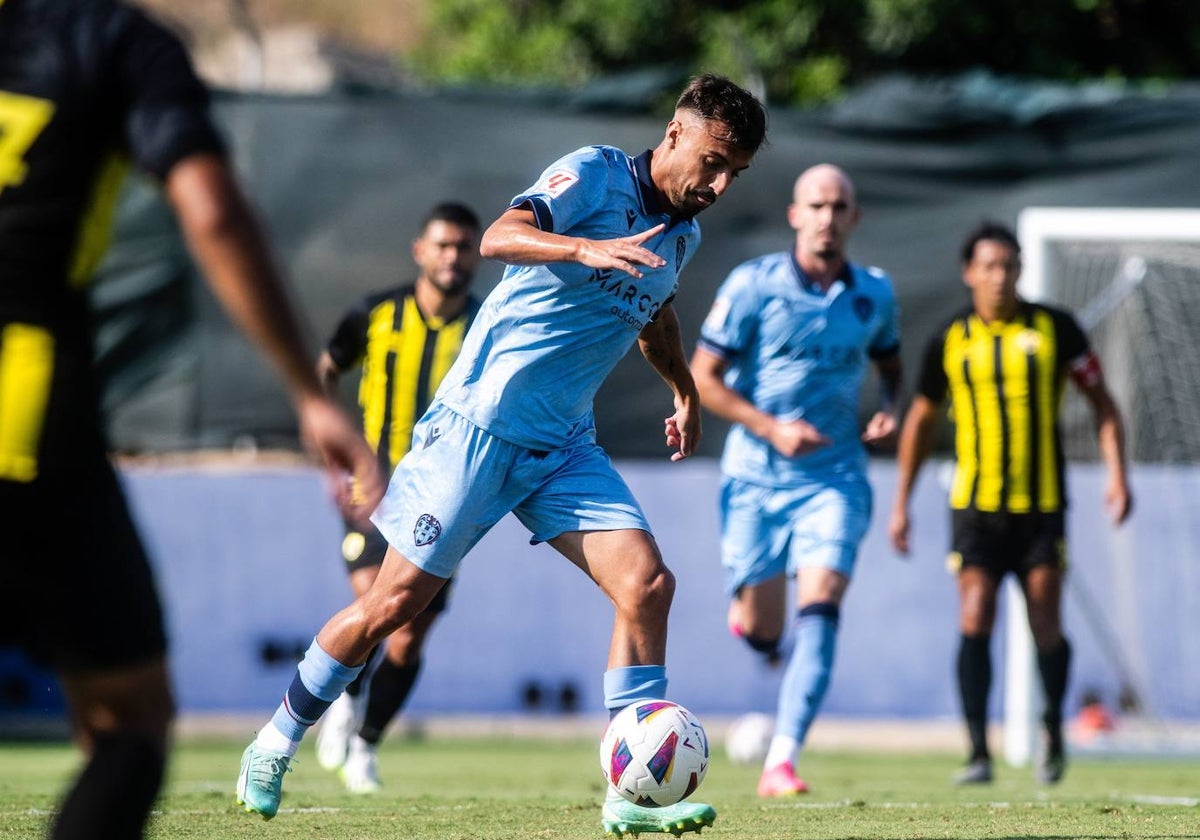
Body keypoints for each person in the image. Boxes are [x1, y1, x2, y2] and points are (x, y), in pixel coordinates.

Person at [236, 73, 767, 837]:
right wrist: (586, 245)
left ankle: (628, 790)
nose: (718, 184)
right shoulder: (594, 173)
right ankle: (275, 741)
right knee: (392, 607)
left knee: (647, 585)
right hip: (475, 429)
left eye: (734, 174)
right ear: (677, 133)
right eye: (713, 161)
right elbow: (498, 236)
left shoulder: (683, 235)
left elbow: (655, 312)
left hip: (562, 445)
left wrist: (681, 388)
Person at [0, 1, 383, 838]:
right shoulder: (108, 41)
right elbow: (212, 211)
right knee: (127, 723)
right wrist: (308, 393)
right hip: (23, 425)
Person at [888, 221, 1132, 785]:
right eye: (990, 266)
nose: (1001, 277)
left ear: (1020, 271)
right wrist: (901, 503)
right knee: (974, 617)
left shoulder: (1057, 330)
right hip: (974, 507)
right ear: (970, 272)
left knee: (1046, 621)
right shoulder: (949, 337)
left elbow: (1104, 404)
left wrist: (1117, 476)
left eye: (1010, 266)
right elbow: (921, 421)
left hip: (1041, 506)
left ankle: (1052, 730)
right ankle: (978, 752)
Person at [690, 164, 903, 797]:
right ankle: (751, 622)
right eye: (816, 204)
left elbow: (892, 366)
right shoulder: (753, 286)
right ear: (795, 214)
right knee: (765, 629)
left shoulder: (875, 294)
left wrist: (890, 406)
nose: (827, 217)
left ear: (853, 218)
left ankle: (782, 759)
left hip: (834, 479)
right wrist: (770, 426)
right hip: (756, 477)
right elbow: (703, 378)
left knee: (822, 607)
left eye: (839, 206)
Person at [313, 202, 483, 793]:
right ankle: (345, 698)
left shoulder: (487, 327)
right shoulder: (375, 314)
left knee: (409, 634)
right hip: (373, 490)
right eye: (442, 245)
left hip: (446, 498)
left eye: (463, 247)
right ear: (420, 251)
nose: (452, 257)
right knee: (373, 603)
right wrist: (334, 455)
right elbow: (323, 374)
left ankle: (366, 743)